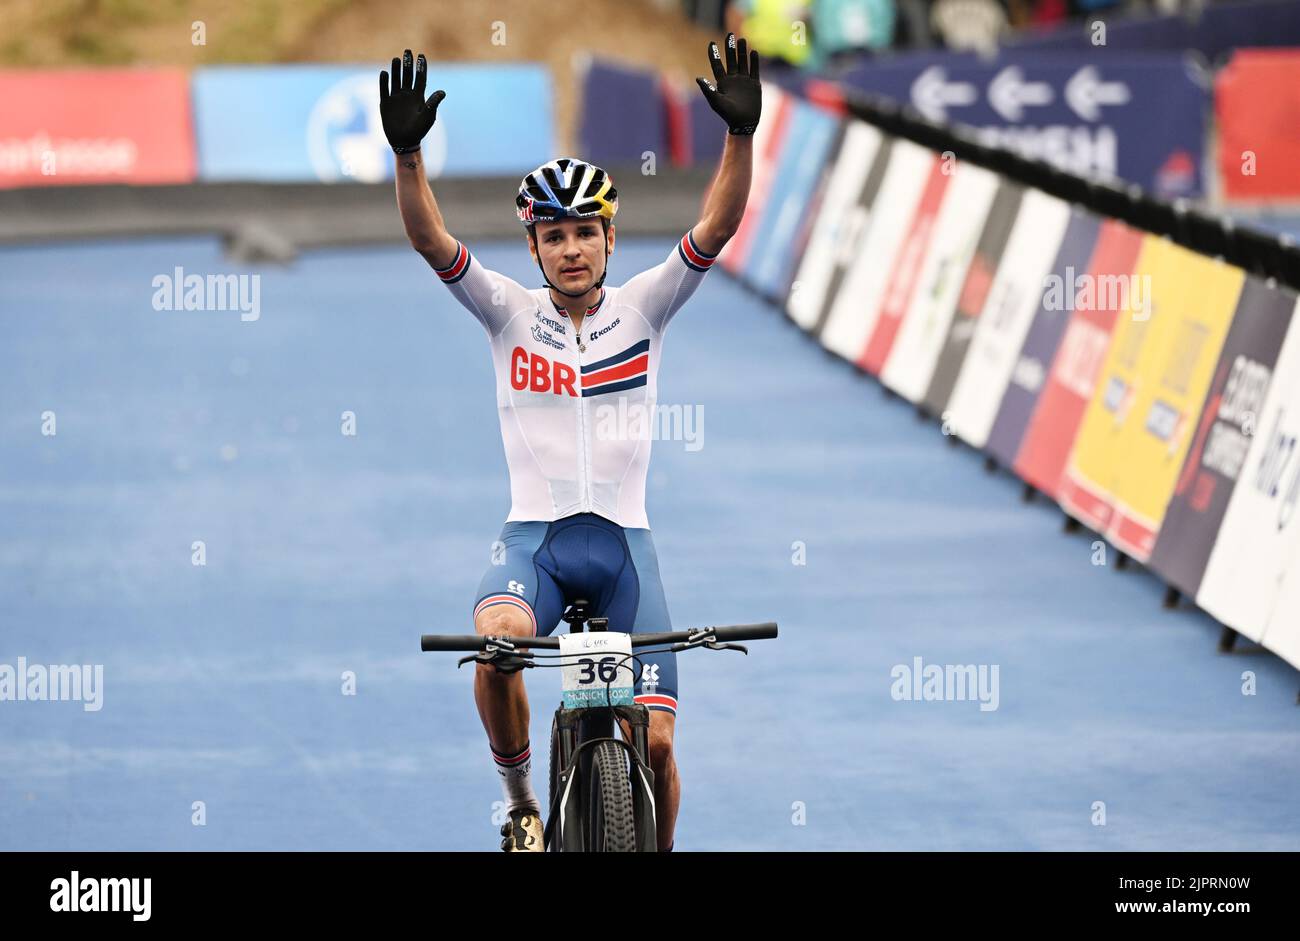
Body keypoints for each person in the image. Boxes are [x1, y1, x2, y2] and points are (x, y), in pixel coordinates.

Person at [380, 35, 760, 852]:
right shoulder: (508, 311)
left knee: (657, 743)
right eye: (554, 237)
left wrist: (739, 137)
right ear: (535, 249)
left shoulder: (646, 309)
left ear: (610, 239)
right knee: (498, 646)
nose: (573, 249)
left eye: (586, 232)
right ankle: (521, 803)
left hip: (626, 550)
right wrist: (409, 155)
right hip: (537, 545)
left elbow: (718, 224)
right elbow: (429, 240)